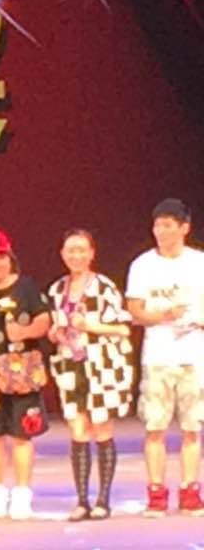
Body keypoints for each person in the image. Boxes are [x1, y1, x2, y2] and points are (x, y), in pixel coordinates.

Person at [47, 229, 134, 521]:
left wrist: (92, 326)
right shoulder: (57, 289)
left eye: (81, 250)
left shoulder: (104, 287)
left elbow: (123, 328)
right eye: (71, 250)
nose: (76, 255)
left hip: (102, 366)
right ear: (62, 254)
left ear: (92, 253)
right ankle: (82, 500)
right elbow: (56, 326)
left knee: (102, 428)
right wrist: (56, 333)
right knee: (78, 430)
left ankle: (103, 500)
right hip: (70, 365)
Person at [125, 198, 204, 517]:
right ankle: (156, 491)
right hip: (157, 356)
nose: (161, 231)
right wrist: (162, 315)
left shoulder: (198, 263)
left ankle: (190, 489)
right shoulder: (143, 265)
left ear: (184, 228)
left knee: (192, 427)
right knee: (154, 427)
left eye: (168, 225)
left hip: (193, 356)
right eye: (158, 225)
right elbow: (134, 310)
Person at [0, 229, 52, 520]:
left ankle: (21, 494)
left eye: (0, 257)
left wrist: (24, 332)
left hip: (22, 373)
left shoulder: (26, 287)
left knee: (22, 434)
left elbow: (44, 320)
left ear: (10, 258)